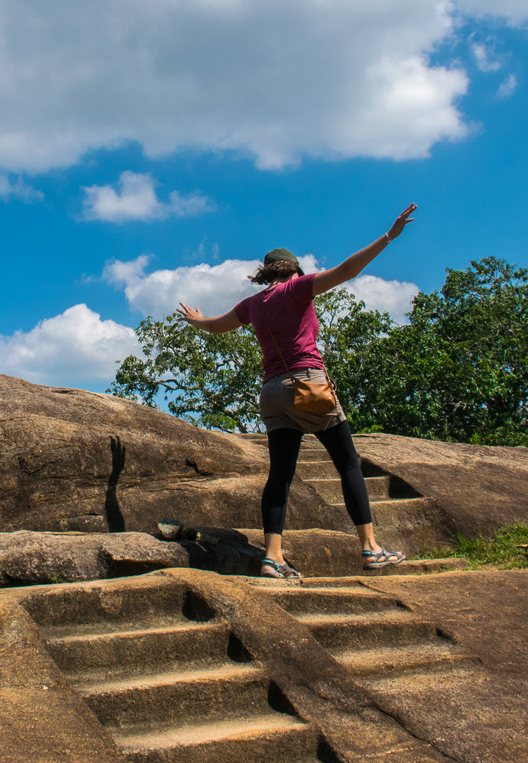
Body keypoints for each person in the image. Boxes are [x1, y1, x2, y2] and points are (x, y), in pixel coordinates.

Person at [177, 204, 418, 579]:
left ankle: (272, 556)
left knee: (281, 475)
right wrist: (388, 236)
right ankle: (370, 549)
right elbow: (347, 270)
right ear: (292, 269)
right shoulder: (297, 289)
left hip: (271, 393)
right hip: (308, 385)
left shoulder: (252, 305)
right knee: (349, 464)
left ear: (266, 271)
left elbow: (217, 326)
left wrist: (196, 320)